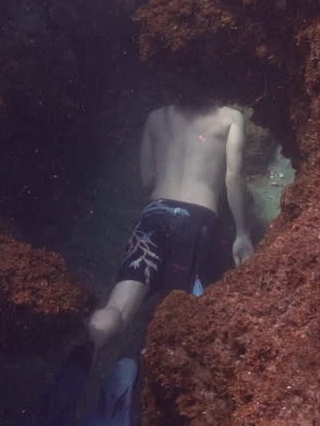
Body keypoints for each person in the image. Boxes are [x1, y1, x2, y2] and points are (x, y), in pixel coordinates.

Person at [84, 96, 254, 386]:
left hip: (154, 214)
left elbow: (147, 180)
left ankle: (89, 351)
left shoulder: (155, 117)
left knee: (118, 310)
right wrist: (242, 233)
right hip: (196, 219)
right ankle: (143, 370)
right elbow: (232, 179)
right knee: (180, 313)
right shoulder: (230, 118)